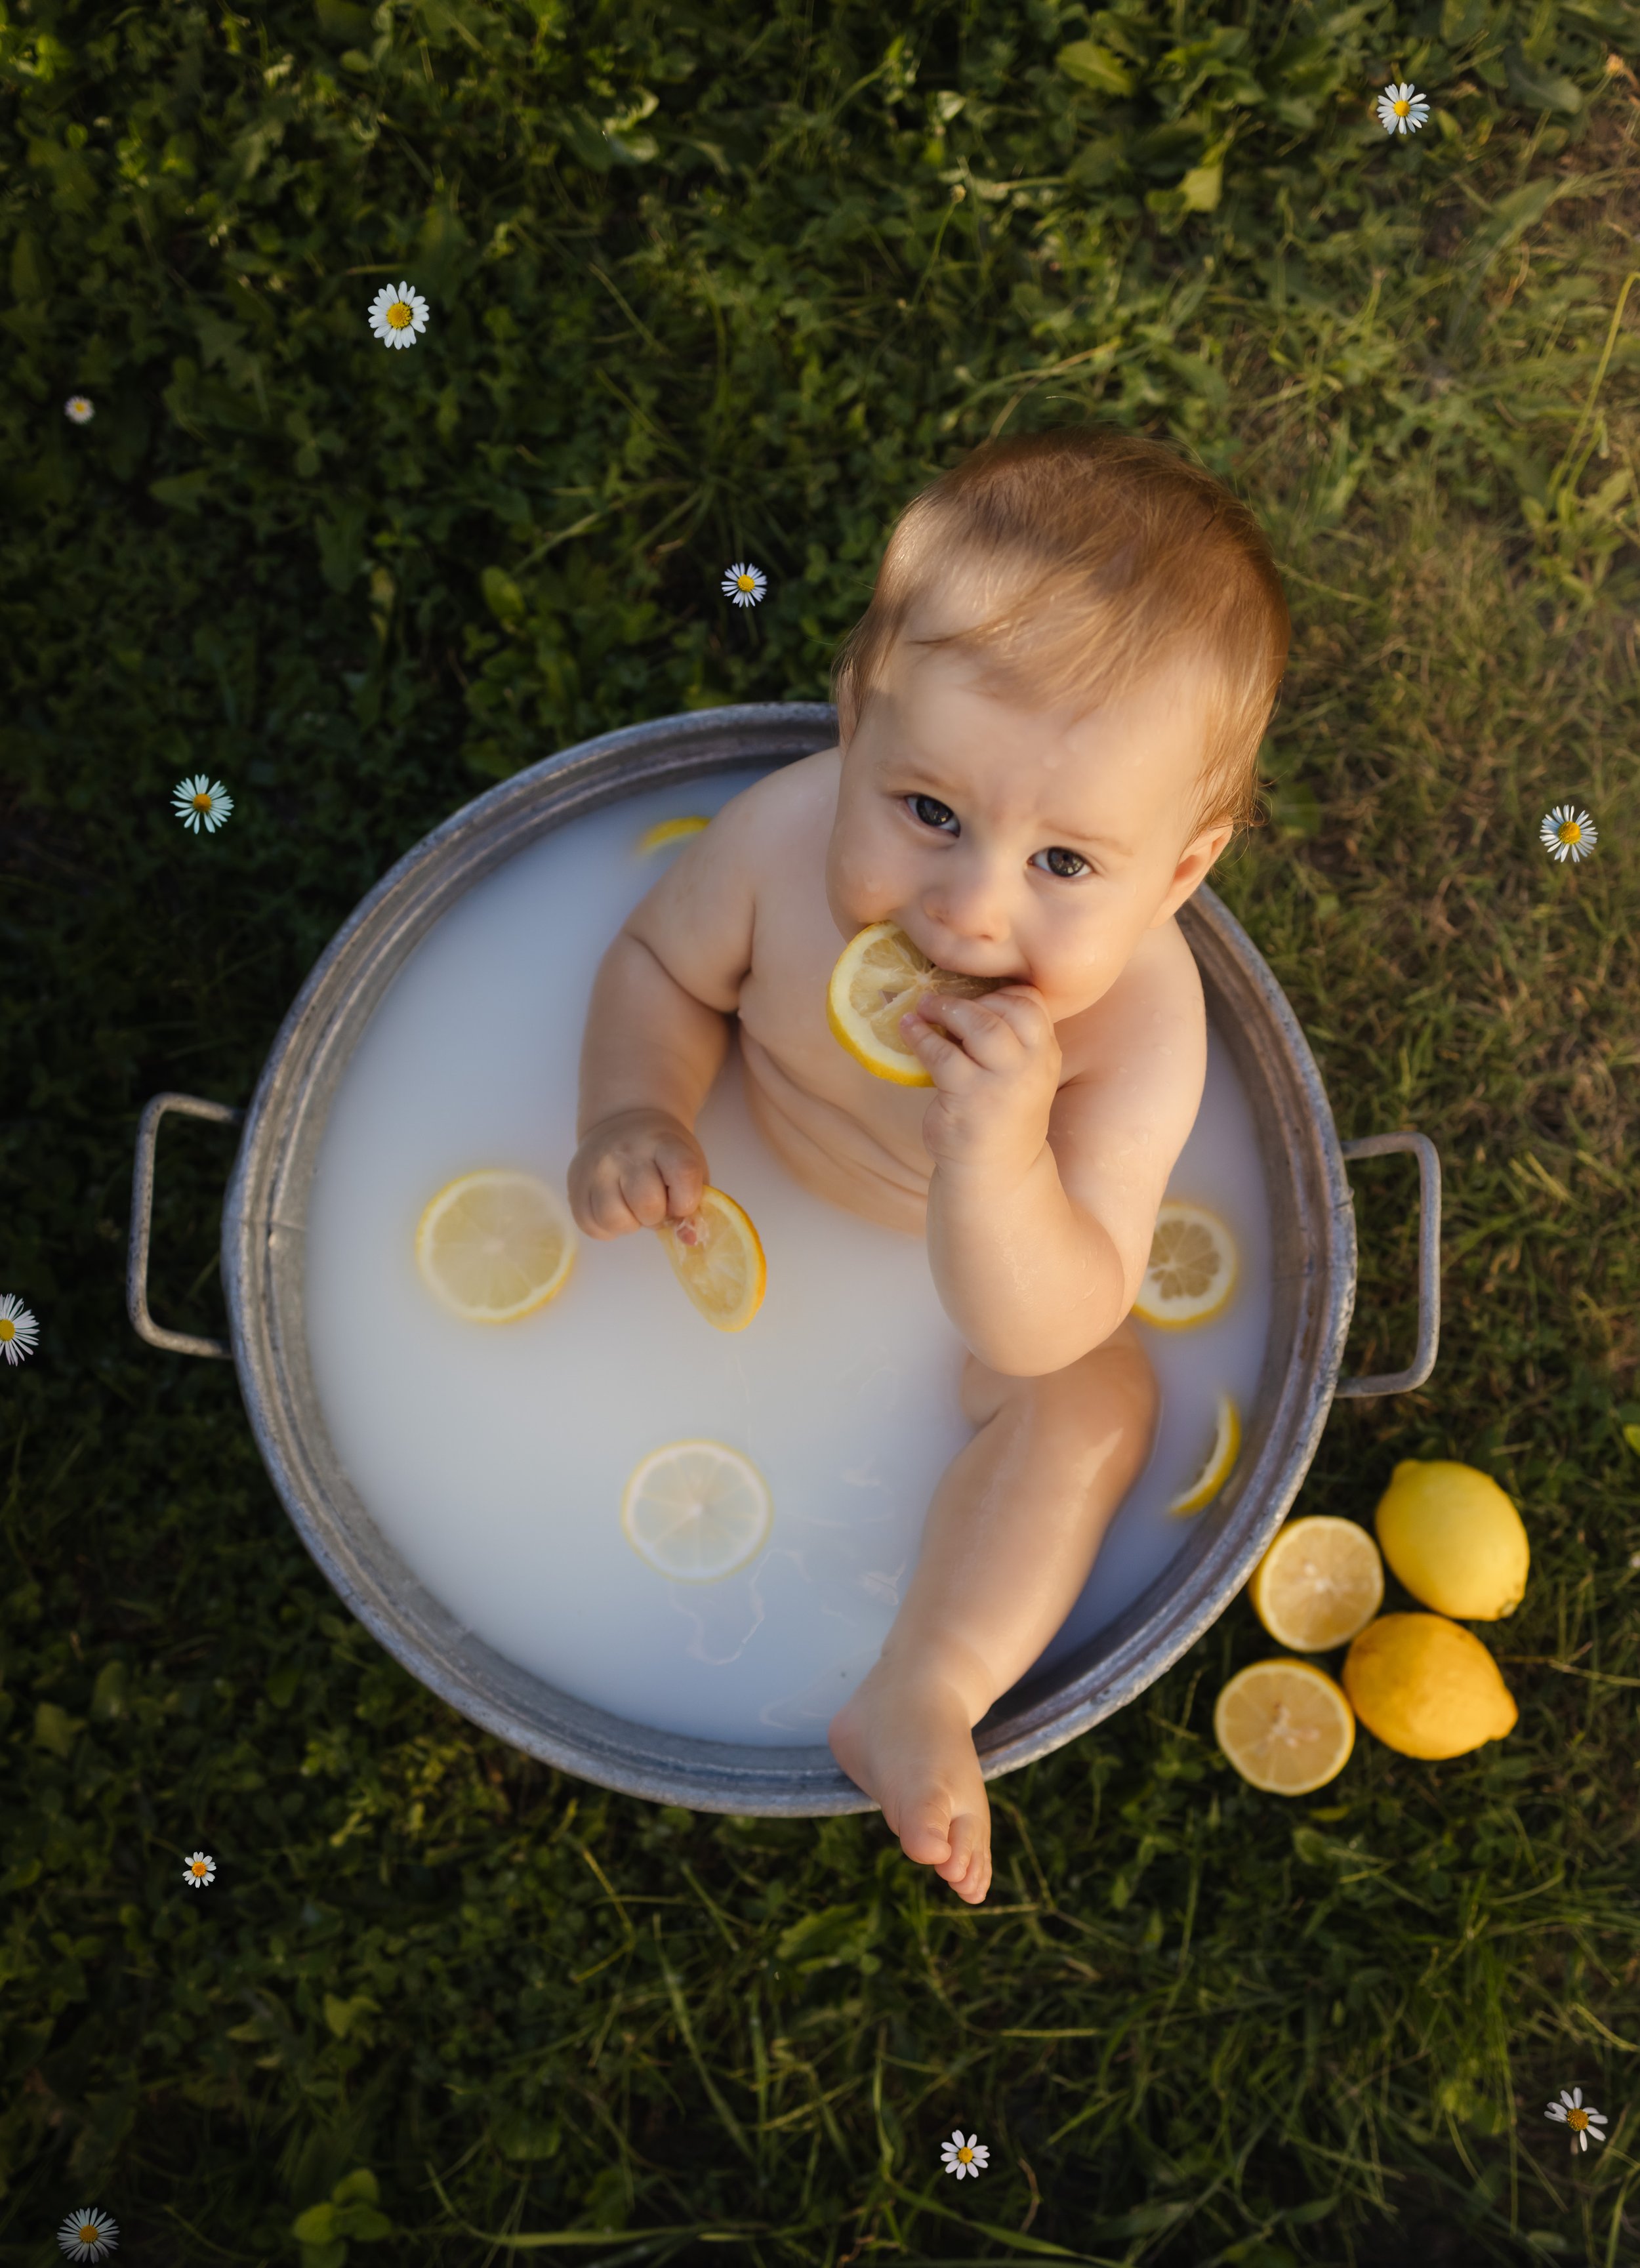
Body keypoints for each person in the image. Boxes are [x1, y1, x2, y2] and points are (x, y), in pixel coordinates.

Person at [567, 427, 1290, 1905]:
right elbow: (657, 962)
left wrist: (995, 1156)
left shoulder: (1137, 1030)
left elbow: (1048, 1316)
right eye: (928, 813)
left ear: (1180, 869)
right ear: (855, 720)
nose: (966, 910)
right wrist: (635, 1114)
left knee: (1098, 1396)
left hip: (970, 1298)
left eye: (1064, 866)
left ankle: (926, 1682)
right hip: (742, 1188)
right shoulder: (774, 843)